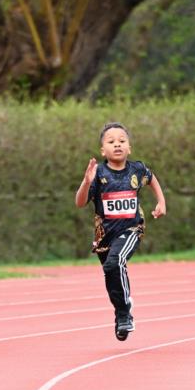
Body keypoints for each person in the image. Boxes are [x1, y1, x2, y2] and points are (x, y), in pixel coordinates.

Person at [75, 122, 166, 340]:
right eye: (111, 141)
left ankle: (124, 315)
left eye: (122, 141)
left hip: (132, 228)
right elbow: (80, 203)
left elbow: (151, 178)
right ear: (102, 150)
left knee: (115, 262)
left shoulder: (137, 169)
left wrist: (161, 202)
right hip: (105, 235)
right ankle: (121, 311)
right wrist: (86, 182)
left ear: (129, 147)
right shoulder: (97, 174)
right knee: (110, 271)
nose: (117, 144)